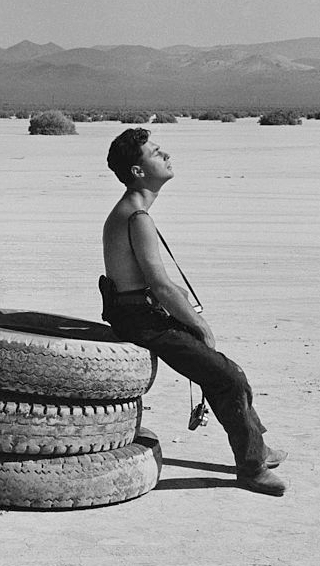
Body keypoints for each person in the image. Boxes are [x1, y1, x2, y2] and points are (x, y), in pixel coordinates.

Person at [99, 127, 287, 496]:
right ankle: (251, 470)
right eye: (156, 152)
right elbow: (160, 285)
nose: (165, 156)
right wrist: (199, 324)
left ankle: (257, 447)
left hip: (136, 314)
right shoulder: (137, 217)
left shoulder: (132, 212)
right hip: (141, 321)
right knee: (227, 378)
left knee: (230, 372)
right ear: (138, 172)